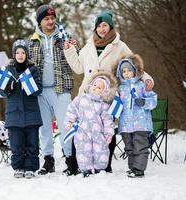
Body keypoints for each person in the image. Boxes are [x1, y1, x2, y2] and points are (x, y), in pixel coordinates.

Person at [63, 9, 154, 172]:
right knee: (82, 130)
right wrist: (70, 50)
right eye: (99, 26)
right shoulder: (89, 45)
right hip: (88, 94)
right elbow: (78, 68)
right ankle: (77, 166)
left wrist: (146, 78)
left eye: (105, 25)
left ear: (110, 27)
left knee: (106, 129)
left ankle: (105, 165)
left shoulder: (119, 46)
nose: (101, 29)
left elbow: (133, 64)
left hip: (107, 95)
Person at [28, 4, 79, 175]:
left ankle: (71, 159)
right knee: (45, 129)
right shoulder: (32, 41)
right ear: (40, 21)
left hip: (61, 89)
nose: (50, 21)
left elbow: (76, 57)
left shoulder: (64, 37)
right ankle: (48, 160)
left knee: (66, 126)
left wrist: (73, 47)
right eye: (46, 19)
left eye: (52, 18)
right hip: (41, 91)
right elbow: (24, 62)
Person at [0, 39, 42, 179]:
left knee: (32, 144)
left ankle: (30, 167)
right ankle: (18, 167)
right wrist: (8, 87)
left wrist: (29, 84)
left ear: (27, 54)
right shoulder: (8, 70)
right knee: (16, 144)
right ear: (14, 54)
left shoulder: (33, 69)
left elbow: (38, 90)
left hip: (31, 114)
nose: (20, 55)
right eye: (18, 52)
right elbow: (1, 90)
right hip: (14, 115)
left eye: (23, 52)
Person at [64, 71, 117, 177]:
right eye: (94, 85)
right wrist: (69, 121)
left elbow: (108, 120)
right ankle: (86, 169)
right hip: (82, 132)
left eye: (99, 87)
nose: (95, 88)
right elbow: (72, 110)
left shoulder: (104, 105)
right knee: (83, 150)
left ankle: (99, 168)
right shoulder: (81, 99)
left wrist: (109, 133)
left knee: (100, 150)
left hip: (98, 133)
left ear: (104, 91)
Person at [116, 54, 157, 178]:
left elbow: (153, 100)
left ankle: (139, 169)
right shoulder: (120, 89)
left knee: (140, 146)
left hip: (141, 124)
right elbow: (116, 105)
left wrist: (144, 102)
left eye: (129, 70)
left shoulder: (142, 85)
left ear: (135, 71)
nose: (126, 73)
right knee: (129, 147)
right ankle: (133, 167)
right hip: (126, 125)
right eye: (124, 71)